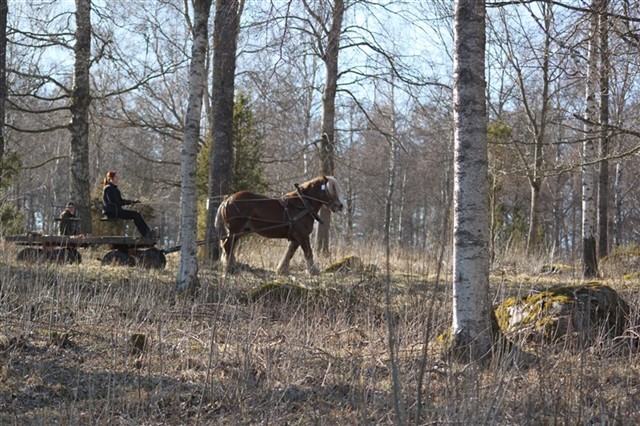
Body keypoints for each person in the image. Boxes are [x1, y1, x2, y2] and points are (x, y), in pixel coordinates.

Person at [102, 171, 157, 239]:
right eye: (116, 176)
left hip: (116, 210)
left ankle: (147, 232)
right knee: (135, 214)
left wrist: (132, 202)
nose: (118, 178)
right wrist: (126, 203)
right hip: (112, 212)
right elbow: (115, 202)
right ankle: (146, 233)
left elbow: (120, 200)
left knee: (137, 214)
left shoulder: (114, 188)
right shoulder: (108, 188)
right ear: (111, 178)